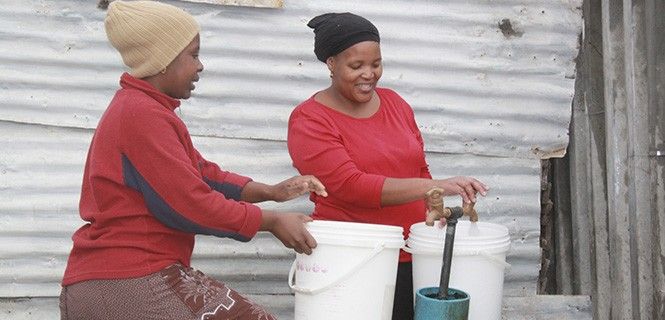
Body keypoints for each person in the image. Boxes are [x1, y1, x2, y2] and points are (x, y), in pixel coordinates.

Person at [59, 1, 327, 319]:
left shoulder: (146, 109)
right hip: (127, 281)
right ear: (161, 61)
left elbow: (200, 173)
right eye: (193, 54)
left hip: (114, 281)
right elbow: (187, 204)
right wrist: (270, 221)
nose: (200, 66)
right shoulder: (140, 114)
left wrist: (269, 191)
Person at [287, 12, 489, 320]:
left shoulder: (395, 103)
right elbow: (351, 186)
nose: (369, 74)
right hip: (353, 258)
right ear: (330, 64)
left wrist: (432, 204)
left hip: (411, 255)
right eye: (356, 66)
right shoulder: (310, 120)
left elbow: (418, 168)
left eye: (376, 64)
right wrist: (440, 186)